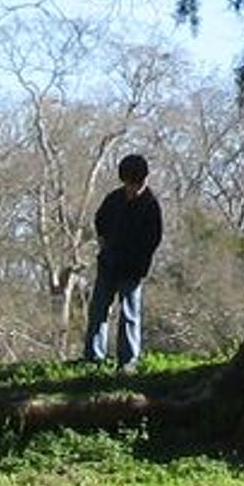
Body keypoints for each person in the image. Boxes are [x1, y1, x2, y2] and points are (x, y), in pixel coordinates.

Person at [78, 151, 162, 370]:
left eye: (136, 184)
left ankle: (128, 360)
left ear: (144, 180)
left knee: (129, 314)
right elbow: (100, 220)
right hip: (108, 264)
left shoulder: (150, 205)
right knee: (98, 311)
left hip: (132, 269)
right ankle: (93, 357)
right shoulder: (114, 199)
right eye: (128, 184)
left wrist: (139, 263)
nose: (132, 189)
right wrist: (104, 243)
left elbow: (153, 239)